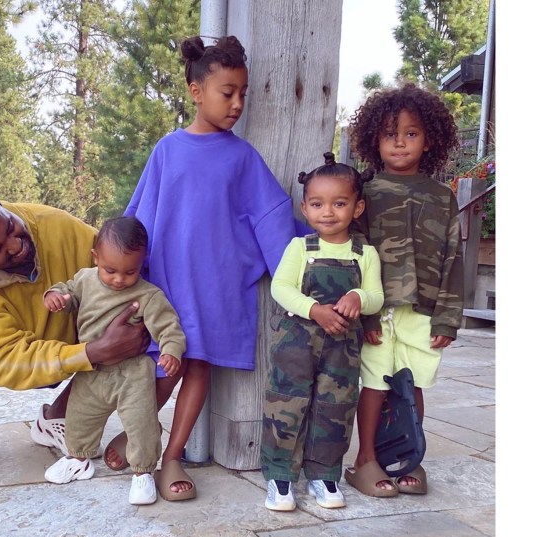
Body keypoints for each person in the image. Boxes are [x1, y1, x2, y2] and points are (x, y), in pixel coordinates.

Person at [122, 35, 303, 501]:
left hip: (215, 286)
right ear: (196, 90)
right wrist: (120, 270)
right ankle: (140, 437)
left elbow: (272, 218)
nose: (238, 103)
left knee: (196, 365)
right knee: (160, 366)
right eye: (228, 92)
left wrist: (321, 247)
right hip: (167, 282)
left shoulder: (243, 158)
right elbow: (140, 216)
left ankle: (173, 456)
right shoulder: (167, 150)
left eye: (244, 93)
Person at [0, 186, 151, 475]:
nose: (15, 246)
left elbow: (113, 269)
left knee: (126, 322)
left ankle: (56, 418)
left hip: (55, 338)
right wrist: (92, 351)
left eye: (10, 228)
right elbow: (6, 358)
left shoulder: (54, 226)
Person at [344, 83, 463, 497]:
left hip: (424, 313)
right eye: (390, 134)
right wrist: (367, 314)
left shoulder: (442, 197)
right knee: (375, 385)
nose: (400, 142)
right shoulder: (366, 195)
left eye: (411, 134)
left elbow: (453, 257)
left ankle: (411, 459)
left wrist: (448, 316)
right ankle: (366, 460)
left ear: (429, 139)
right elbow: (355, 257)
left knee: (412, 386)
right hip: (378, 310)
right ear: (374, 139)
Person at [260, 153, 383, 511]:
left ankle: (324, 474)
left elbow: (376, 296)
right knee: (287, 403)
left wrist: (358, 297)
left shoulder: (366, 254)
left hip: (341, 350)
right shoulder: (301, 247)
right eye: (317, 204)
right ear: (305, 207)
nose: (327, 212)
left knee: (335, 407)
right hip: (295, 344)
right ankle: (280, 476)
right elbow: (280, 287)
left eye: (339, 203)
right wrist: (314, 309)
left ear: (357, 207)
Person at [42, 217, 186, 505]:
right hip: (92, 369)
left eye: (130, 271)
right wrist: (55, 296)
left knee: (141, 422)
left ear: (142, 262)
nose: (119, 279)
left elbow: (169, 327)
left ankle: (143, 472)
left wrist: (171, 351)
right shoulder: (85, 279)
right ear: (96, 257)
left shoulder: (148, 295)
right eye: (110, 270)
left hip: (132, 373)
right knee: (80, 416)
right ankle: (78, 458)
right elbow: (67, 290)